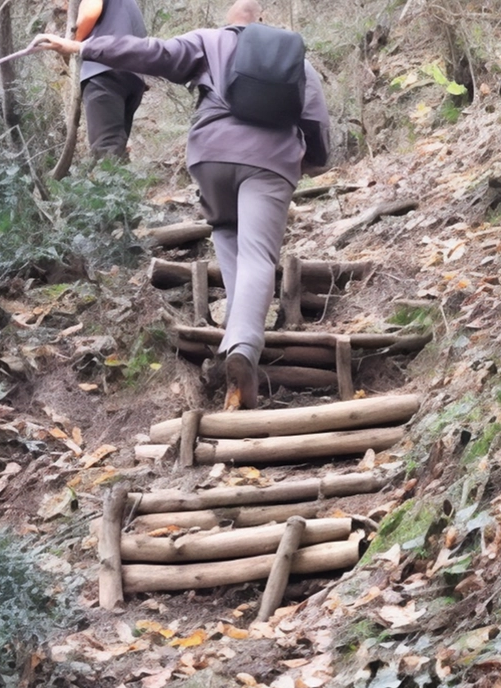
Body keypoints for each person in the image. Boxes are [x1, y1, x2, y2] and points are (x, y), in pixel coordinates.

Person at [34, 0, 331, 410]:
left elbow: (153, 53)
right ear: (262, 21)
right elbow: (315, 120)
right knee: (259, 253)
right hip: (271, 160)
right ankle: (244, 345)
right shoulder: (295, 59)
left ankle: (235, 335)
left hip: (212, 155)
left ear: (230, 22)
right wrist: (310, 162)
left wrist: (82, 49)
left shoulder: (210, 41)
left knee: (227, 232)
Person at [75, 0, 148, 160]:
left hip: (103, 71)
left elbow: (90, 12)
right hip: (134, 77)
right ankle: (122, 182)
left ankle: (109, 182)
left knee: (106, 149)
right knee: (117, 149)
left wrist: (74, 43)